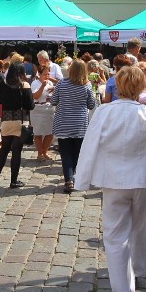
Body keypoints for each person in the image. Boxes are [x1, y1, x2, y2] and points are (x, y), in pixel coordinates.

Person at [74, 66, 146, 292]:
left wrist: (83, 179)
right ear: (142, 87)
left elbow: (90, 145)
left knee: (115, 235)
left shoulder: (105, 112)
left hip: (114, 180)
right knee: (141, 228)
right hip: (144, 179)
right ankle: (136, 271)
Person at [51, 59, 96, 193]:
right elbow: (91, 104)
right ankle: (73, 177)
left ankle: (68, 179)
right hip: (79, 123)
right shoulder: (86, 85)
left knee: (65, 153)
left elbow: (54, 101)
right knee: (77, 153)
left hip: (64, 121)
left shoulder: (61, 83)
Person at [0, 63, 34, 189]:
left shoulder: (3, 84)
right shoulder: (24, 85)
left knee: (4, 149)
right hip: (20, 121)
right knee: (16, 152)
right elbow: (30, 106)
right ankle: (14, 181)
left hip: (6, 120)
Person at [29, 65, 55, 161]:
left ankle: (45, 152)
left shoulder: (50, 83)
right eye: (45, 74)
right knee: (38, 133)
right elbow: (35, 96)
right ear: (39, 74)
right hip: (37, 109)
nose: (47, 76)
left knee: (50, 132)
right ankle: (40, 153)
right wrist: (42, 86)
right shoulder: (35, 83)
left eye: (48, 74)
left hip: (48, 109)